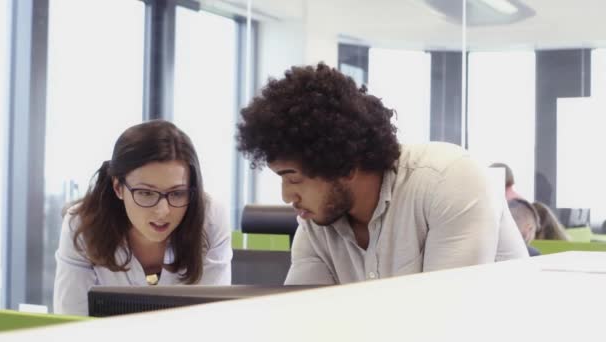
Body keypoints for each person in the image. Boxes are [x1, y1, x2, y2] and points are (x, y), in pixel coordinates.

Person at [236, 63, 528, 285]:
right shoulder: (316, 227)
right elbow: (300, 321)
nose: (287, 196)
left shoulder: (448, 179)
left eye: (293, 177)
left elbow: (445, 320)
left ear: (344, 164)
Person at [54, 120, 232, 315]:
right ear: (118, 188)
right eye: (146, 193)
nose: (163, 211)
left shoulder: (211, 219)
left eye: (177, 193)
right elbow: (72, 318)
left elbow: (211, 319)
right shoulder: (82, 224)